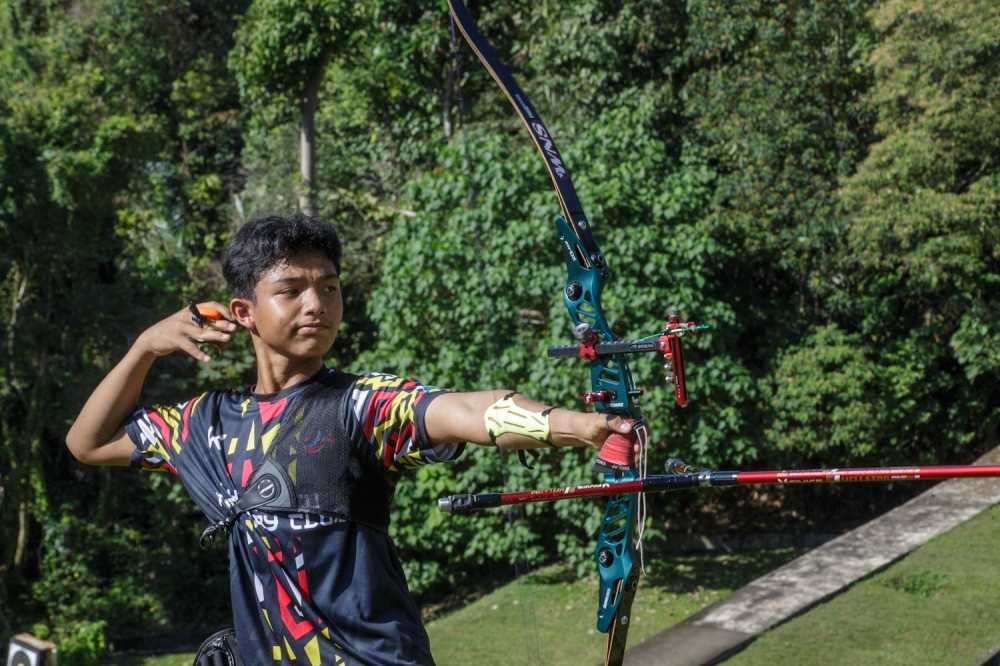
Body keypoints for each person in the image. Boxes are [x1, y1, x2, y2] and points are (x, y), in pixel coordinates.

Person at [66, 214, 635, 666]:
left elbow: (466, 410)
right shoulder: (206, 424)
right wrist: (145, 345)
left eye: (329, 287)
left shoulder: (359, 404)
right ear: (244, 312)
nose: (317, 304)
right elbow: (88, 443)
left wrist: (582, 427)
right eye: (291, 290)